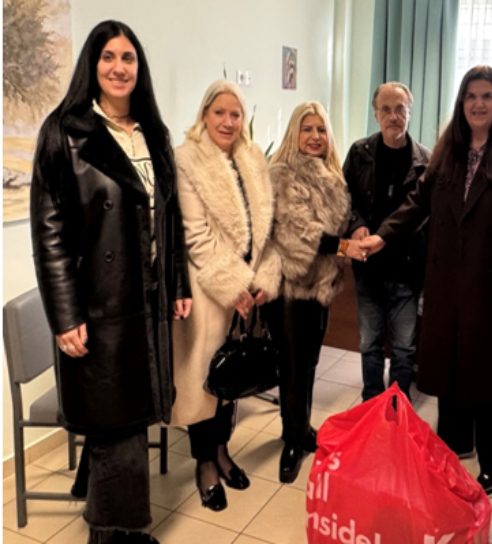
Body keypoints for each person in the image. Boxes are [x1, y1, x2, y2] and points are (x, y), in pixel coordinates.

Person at [30, 20, 190, 544]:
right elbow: (49, 235)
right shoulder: (65, 132)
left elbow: (169, 219)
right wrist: (65, 316)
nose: (119, 68)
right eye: (108, 57)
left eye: (128, 58)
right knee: (113, 426)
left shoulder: (153, 133)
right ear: (92, 65)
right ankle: (118, 531)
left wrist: (179, 284)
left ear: (139, 68)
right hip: (99, 305)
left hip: (148, 303)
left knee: (130, 420)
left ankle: (118, 526)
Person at [360, 65, 492, 496]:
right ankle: (457, 446)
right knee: (453, 371)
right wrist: (383, 236)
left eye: (487, 96)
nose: (478, 104)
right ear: (461, 102)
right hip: (449, 286)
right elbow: (418, 202)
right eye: (471, 96)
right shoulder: (450, 147)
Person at [171, 80, 281, 511]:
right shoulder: (187, 159)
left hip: (248, 291)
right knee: (206, 384)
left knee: (233, 377)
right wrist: (234, 284)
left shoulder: (252, 159)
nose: (228, 121)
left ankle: (222, 452)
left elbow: (264, 229)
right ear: (204, 114)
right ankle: (205, 465)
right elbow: (195, 236)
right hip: (209, 290)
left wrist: (261, 278)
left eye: (235, 114)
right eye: (219, 112)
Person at [266, 101, 363, 483]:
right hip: (290, 288)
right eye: (307, 129)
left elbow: (341, 221)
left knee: (308, 363)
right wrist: (344, 247)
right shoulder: (282, 173)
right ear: (295, 132)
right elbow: (298, 234)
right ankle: (292, 440)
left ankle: (301, 427)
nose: (315, 136)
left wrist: (354, 235)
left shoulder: (332, 175)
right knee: (291, 366)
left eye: (321, 129)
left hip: (321, 286)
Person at [343, 82, 431, 401]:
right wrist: (356, 225)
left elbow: (424, 213)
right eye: (386, 110)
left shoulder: (426, 161)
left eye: (400, 109)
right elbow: (344, 198)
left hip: (407, 269)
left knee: (405, 347)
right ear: (375, 114)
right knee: (370, 343)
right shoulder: (359, 153)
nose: (393, 116)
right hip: (368, 268)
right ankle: (371, 402)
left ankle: (397, 405)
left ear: (410, 112)